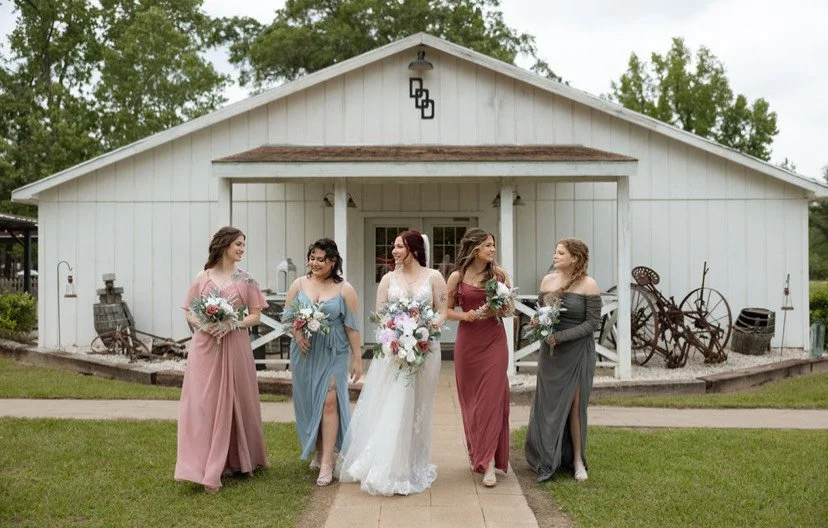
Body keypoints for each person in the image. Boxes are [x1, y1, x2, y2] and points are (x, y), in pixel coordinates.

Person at [337, 230, 448, 495]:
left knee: (418, 405)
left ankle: (412, 463)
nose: (394, 251)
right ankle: (390, 466)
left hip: (425, 348)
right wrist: (396, 336)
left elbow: (442, 311)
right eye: (394, 247)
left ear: (414, 249)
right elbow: (381, 315)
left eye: (399, 247)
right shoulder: (387, 279)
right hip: (395, 350)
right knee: (394, 403)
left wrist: (424, 330)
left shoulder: (434, 277)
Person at [175, 226, 270, 493]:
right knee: (203, 404)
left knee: (237, 401)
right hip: (205, 347)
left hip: (235, 345)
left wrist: (233, 324)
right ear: (225, 244)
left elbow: (256, 316)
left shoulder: (247, 280)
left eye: (244, 244)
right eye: (238, 244)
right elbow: (189, 312)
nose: (242, 248)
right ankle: (199, 465)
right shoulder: (202, 277)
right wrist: (203, 325)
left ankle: (238, 459)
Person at [283, 238, 362, 487]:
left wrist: (357, 359)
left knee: (329, 402)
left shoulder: (344, 289)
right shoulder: (299, 284)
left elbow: (352, 327)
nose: (314, 263)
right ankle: (318, 450)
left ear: (332, 261)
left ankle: (328, 461)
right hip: (305, 352)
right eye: (312, 258)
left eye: (319, 259)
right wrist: (297, 333)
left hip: (334, 352)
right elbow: (288, 316)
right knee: (310, 402)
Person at [525, 238, 601, 482]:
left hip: (578, 352)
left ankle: (577, 460)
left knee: (576, 407)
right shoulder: (547, 281)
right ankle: (546, 456)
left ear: (575, 258)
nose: (555, 256)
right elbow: (540, 313)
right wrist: (538, 325)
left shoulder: (589, 285)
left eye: (560, 253)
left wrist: (562, 336)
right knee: (547, 404)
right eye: (555, 252)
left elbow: (592, 323)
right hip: (551, 353)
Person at [445, 228, 511, 487]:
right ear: (474, 248)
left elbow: (507, 308)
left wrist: (500, 307)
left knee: (490, 400)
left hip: (494, 341)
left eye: (493, 245)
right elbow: (446, 311)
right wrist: (466, 315)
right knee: (472, 403)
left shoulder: (499, 275)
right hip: (467, 344)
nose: (492, 249)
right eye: (487, 245)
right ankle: (479, 452)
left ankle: (490, 464)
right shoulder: (456, 277)